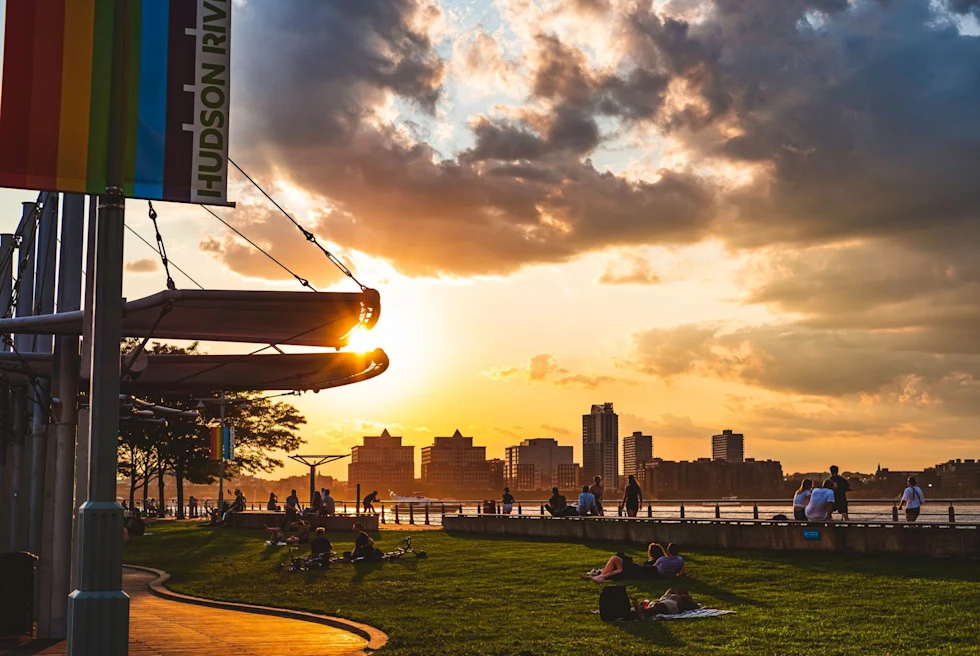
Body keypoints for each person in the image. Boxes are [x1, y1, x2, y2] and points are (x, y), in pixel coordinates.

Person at [582, 542, 685, 582]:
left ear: (668, 551)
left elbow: (653, 568)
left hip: (645, 571)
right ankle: (600, 576)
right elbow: (680, 573)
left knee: (619, 564)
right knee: (619, 565)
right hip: (646, 571)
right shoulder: (680, 560)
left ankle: (600, 576)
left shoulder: (662, 560)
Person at [634, 589, 699, 619]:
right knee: (656, 606)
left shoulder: (681, 598)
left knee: (657, 607)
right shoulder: (670, 595)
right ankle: (642, 612)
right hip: (660, 602)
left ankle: (642, 612)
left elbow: (693, 605)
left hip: (668, 604)